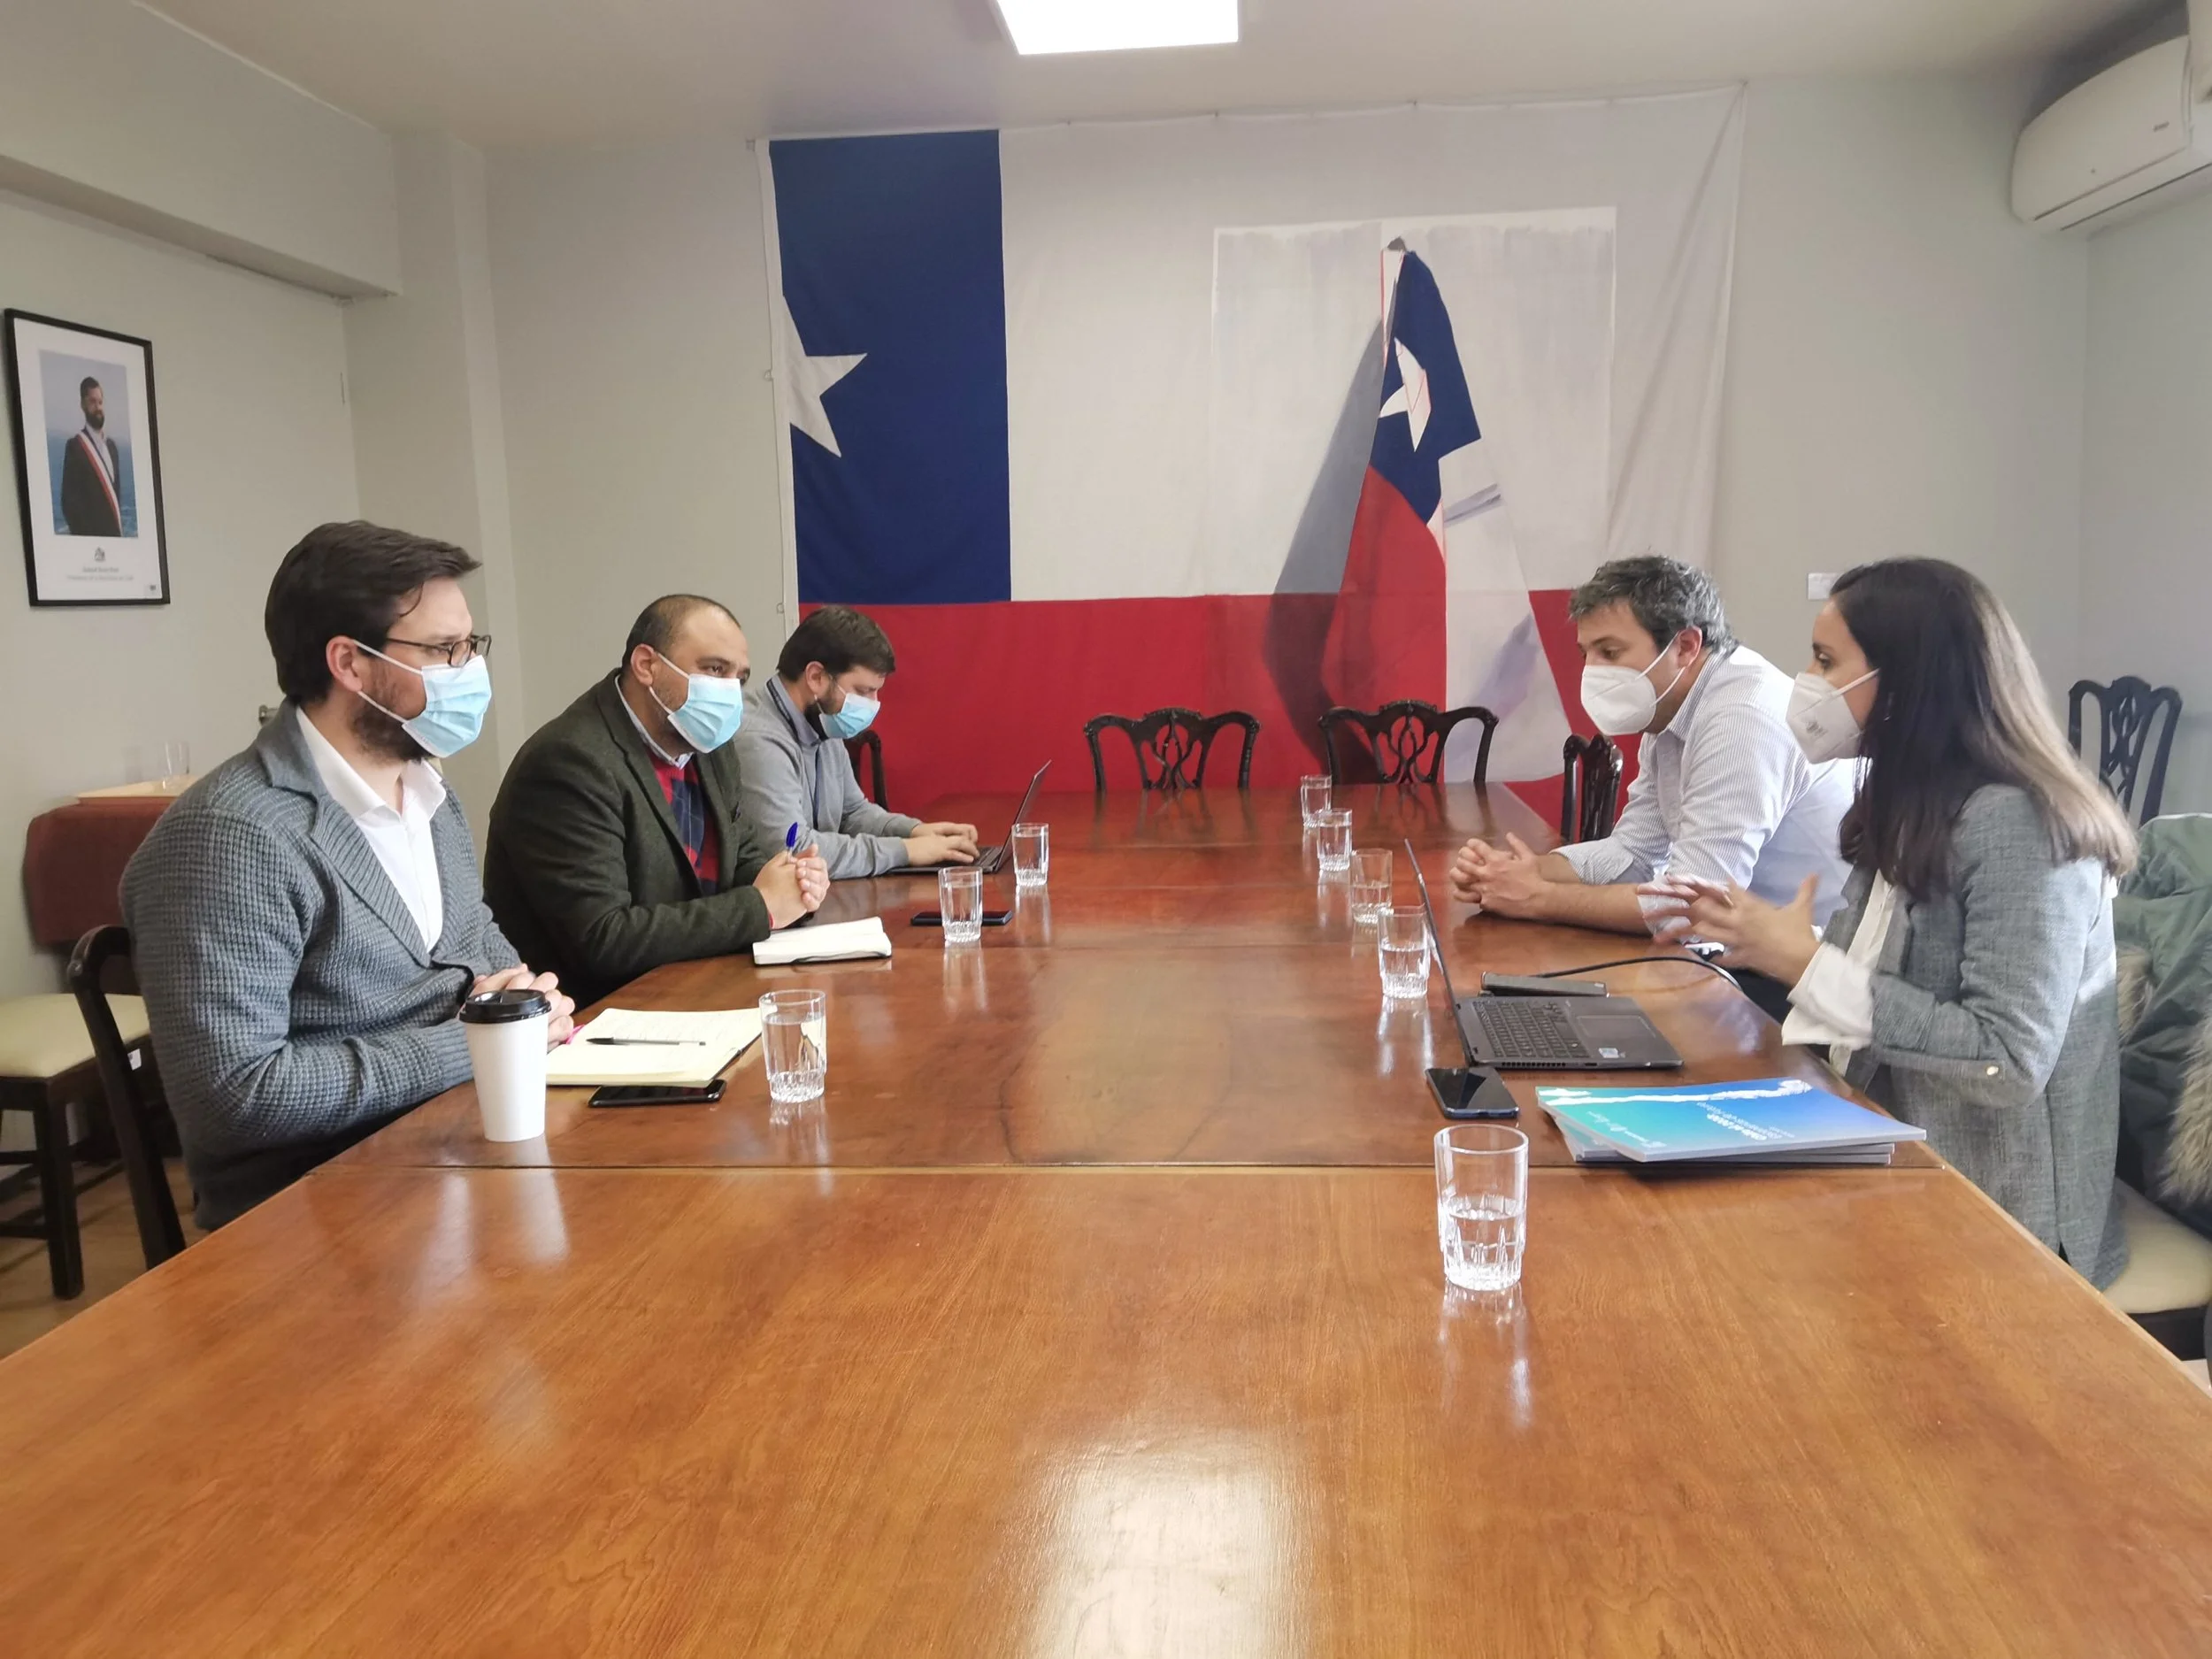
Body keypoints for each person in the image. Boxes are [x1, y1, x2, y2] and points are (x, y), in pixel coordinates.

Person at [1674, 558, 2135, 1286]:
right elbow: (1881, 982)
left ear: (1908, 683)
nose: (1808, 679)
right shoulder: (1914, 796)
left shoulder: (2022, 825)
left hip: (2007, 1218)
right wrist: (1770, 945)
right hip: (1887, 1139)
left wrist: (1805, 963)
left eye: (1827, 661)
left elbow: (2008, 1059)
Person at [121, 521, 574, 1229]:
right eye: (444, 649)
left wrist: (523, 1002)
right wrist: (476, 1041)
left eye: (470, 645)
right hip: (317, 1217)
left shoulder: (428, 788)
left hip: (457, 1157)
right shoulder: (229, 837)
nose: (468, 668)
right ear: (350, 663)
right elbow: (234, 1097)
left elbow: (478, 945)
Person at [1449, 556, 1858, 1019]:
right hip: (1735, 957)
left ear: (1684, 646)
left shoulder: (1743, 718)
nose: (1592, 670)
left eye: (1610, 651)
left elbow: (1690, 909)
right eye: (1587, 653)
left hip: (1802, 983)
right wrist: (1517, 873)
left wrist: (1538, 897)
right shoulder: (1670, 707)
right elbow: (1635, 851)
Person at [484, 595, 829, 1008]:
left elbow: (741, 857)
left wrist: (795, 884)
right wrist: (761, 907)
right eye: (714, 669)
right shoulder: (568, 762)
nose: (729, 692)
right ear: (646, 665)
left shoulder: (708, 745)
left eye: (739, 678)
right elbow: (603, 939)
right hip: (599, 1017)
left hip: (697, 987)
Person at [736, 604, 979, 878]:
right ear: (816, 677)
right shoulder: (757, 738)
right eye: (864, 691)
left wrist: (915, 831)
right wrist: (906, 851)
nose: (873, 705)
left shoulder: (821, 719)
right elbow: (793, 851)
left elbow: (852, 813)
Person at [59, 376, 123, 537]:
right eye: (92, 402)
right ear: (83, 405)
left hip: (114, 544)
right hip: (92, 546)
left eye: (100, 402)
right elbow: (69, 503)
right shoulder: (76, 447)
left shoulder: (112, 448)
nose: (98, 407)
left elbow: (117, 499)